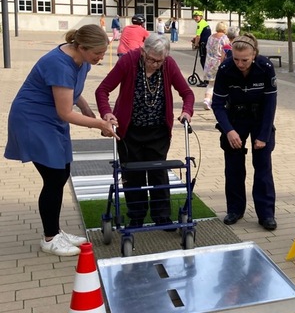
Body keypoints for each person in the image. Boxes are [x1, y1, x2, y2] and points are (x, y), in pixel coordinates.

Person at [5, 24, 117, 256]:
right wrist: (98, 124)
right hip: (33, 120)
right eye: (97, 53)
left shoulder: (82, 60)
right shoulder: (59, 64)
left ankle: (55, 231)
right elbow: (65, 112)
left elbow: (73, 91)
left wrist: (89, 112)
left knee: (61, 172)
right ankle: (50, 238)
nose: (101, 57)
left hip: (51, 119)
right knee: (54, 177)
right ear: (82, 47)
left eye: (103, 52)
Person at [96, 34, 194, 230]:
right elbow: (102, 90)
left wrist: (186, 111)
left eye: (159, 61)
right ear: (143, 52)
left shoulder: (169, 64)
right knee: (133, 175)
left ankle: (162, 217)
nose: (155, 64)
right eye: (151, 59)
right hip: (129, 131)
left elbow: (187, 93)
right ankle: (136, 216)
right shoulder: (128, 61)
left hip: (158, 131)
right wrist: (107, 113)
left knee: (158, 173)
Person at [212, 34, 278, 231]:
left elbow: (270, 103)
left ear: (254, 54)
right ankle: (235, 209)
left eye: (245, 60)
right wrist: (229, 130)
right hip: (235, 118)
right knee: (233, 167)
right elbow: (217, 104)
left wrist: (264, 135)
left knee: (263, 167)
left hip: (260, 118)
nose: (240, 64)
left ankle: (266, 214)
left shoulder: (265, 67)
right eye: (236, 59)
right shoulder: (225, 68)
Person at [203, 22, 230, 110]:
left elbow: (207, 48)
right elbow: (226, 51)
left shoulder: (210, 37)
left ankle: (207, 100)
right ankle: (221, 100)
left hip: (209, 62)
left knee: (211, 84)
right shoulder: (225, 38)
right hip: (219, 62)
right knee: (222, 83)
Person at [192, 10, 211, 84]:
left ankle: (207, 80)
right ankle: (207, 79)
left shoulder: (200, 24)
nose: (195, 18)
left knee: (203, 61)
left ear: (201, 17)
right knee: (205, 61)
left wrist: (196, 44)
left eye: (196, 17)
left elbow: (198, 36)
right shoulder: (205, 23)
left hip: (203, 45)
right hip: (206, 44)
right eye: (194, 17)